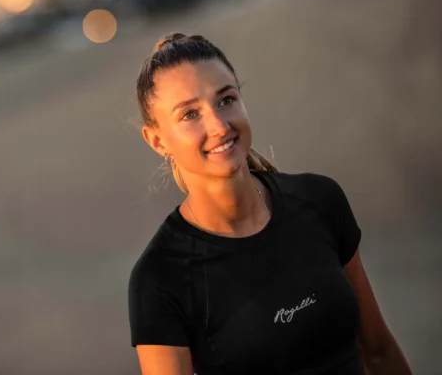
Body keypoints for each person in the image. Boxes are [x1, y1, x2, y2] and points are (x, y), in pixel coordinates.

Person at [127, 33, 412, 375]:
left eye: (226, 99)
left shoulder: (319, 201)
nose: (219, 126)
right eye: (190, 115)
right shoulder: (161, 278)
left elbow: (379, 351)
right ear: (157, 140)